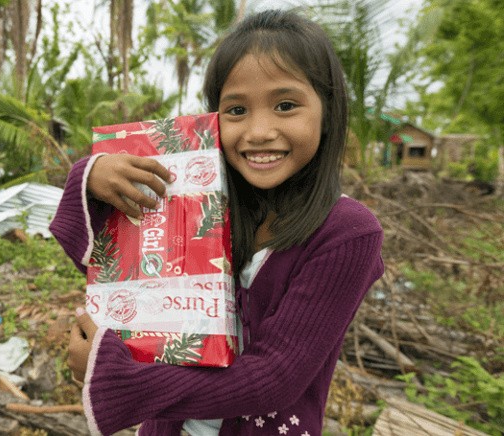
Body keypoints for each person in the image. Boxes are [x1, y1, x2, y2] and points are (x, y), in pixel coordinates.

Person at [49, 8, 384, 436]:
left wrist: (125, 383)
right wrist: (90, 177)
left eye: (285, 105)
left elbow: (275, 376)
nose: (259, 130)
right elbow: (122, 279)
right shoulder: (197, 195)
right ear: (213, 118)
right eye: (236, 110)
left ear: (328, 110)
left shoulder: (347, 233)